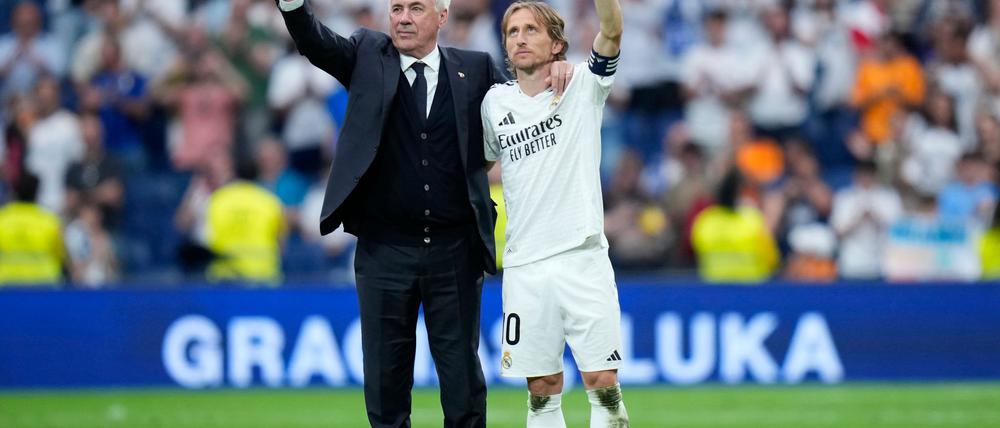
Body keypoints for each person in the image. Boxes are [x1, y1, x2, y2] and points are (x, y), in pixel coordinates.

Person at [275, 0, 574, 426]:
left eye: (416, 8)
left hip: (455, 248)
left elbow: (524, 103)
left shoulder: (477, 69)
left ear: (442, 17)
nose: (403, 17)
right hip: (384, 250)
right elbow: (314, 41)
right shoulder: (366, 55)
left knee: (462, 378)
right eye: (396, 8)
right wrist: (292, 5)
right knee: (384, 378)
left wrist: (558, 68)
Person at [481, 0, 629, 426]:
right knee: (541, 389)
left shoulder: (583, 85)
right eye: (513, 32)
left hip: (582, 257)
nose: (521, 38)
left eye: (531, 30)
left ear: (556, 44)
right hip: (525, 265)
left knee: (602, 380)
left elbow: (612, 32)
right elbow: (481, 161)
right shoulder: (493, 105)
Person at [205, 157, 285, 285]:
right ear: (258, 174)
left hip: (225, 276)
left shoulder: (217, 200)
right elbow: (281, 245)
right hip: (263, 276)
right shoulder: (270, 201)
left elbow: (207, 238)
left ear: (234, 173)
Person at [691, 170, 780, 283]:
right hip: (752, 290)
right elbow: (772, 260)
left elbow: (695, 253)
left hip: (714, 288)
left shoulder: (705, 221)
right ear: (739, 195)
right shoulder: (752, 219)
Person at [0, 173, 65, 286]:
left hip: (7, 284)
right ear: (37, 193)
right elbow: (60, 255)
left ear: (14, 192)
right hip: (44, 284)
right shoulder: (50, 221)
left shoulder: (2, 219)